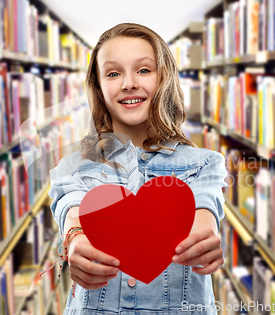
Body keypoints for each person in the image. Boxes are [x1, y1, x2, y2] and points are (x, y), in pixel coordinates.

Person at [49, 23, 228, 314]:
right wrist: (76, 237)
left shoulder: (205, 163)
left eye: (144, 70)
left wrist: (203, 235)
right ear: (98, 86)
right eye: (113, 73)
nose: (128, 83)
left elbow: (204, 208)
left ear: (164, 78)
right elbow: (71, 207)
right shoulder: (71, 167)